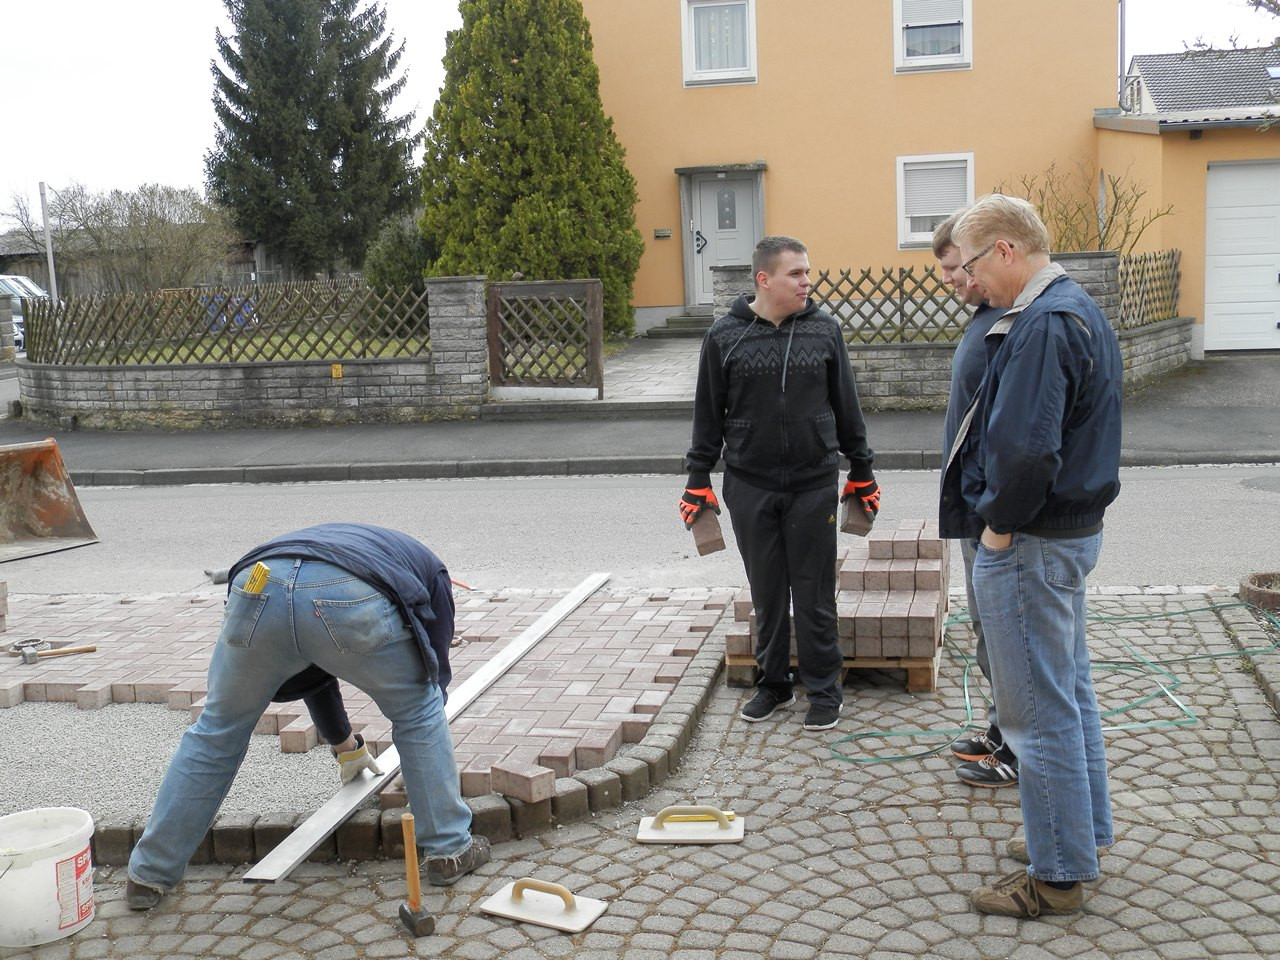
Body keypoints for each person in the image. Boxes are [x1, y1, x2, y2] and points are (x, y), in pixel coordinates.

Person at [126, 523, 489, 910]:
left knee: (216, 730)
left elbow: (311, 665)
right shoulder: (434, 575)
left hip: (257, 583)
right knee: (419, 711)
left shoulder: (349, 546)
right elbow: (433, 672)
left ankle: (149, 874)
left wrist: (345, 746)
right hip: (347, 592)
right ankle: (449, 848)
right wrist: (425, 734)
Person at [948, 195, 1121, 917]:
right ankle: (1080, 836)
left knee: (1035, 714)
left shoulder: (1044, 323)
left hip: (1032, 542)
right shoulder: (1075, 305)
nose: (970, 281)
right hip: (1067, 535)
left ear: (1006, 250)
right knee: (1069, 692)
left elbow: (1026, 451)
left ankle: (1056, 878)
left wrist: (997, 530)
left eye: (973, 264)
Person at [681, 235, 879, 732]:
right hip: (749, 484)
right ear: (764, 279)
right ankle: (773, 684)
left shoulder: (824, 330)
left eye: (807, 272)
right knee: (767, 592)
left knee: (814, 593)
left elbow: (847, 404)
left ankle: (824, 690)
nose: (807, 281)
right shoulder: (725, 336)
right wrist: (697, 478)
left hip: (814, 483)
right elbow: (708, 413)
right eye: (796, 273)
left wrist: (862, 469)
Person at [932, 212, 1019, 790]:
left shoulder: (1010, 325)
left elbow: (1016, 434)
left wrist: (995, 515)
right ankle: (1000, 725)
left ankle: (1016, 748)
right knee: (988, 628)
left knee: (1007, 633)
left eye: (956, 267)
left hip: (991, 512)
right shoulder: (985, 319)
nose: (951, 279)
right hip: (974, 505)